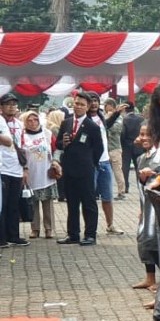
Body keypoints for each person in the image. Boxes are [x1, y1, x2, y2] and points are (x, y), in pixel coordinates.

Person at [54, 92, 104, 246]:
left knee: (88, 203)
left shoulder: (93, 127)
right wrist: (63, 143)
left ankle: (90, 235)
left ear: (88, 107)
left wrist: (91, 163)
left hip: (86, 170)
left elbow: (99, 149)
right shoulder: (66, 122)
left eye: (82, 104)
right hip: (68, 169)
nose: (78, 106)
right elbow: (57, 144)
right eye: (76, 103)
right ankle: (73, 234)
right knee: (72, 203)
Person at [86, 92, 124, 236]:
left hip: (105, 161)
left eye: (96, 101)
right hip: (91, 164)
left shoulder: (101, 116)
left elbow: (106, 127)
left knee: (107, 197)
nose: (94, 103)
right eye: (92, 101)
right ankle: (90, 228)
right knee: (89, 198)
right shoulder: (84, 119)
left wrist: (116, 114)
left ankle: (110, 225)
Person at [133, 123, 160, 292]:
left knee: (156, 240)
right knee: (143, 238)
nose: (144, 138)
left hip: (159, 206)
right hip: (146, 205)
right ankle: (149, 276)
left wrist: (153, 175)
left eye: (147, 134)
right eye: (141, 134)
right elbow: (141, 187)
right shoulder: (140, 158)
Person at [18, 110, 58, 239]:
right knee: (32, 203)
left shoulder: (47, 133)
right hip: (31, 174)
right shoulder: (22, 135)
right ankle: (35, 229)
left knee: (47, 203)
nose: (33, 123)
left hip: (46, 173)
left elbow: (56, 148)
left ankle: (49, 228)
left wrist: (56, 162)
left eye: (35, 120)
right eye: (29, 120)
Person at [0, 93, 29, 248]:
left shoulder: (19, 123)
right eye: (8, 104)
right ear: (1, 107)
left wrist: (25, 168)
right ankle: (2, 237)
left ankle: (14, 235)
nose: (11, 107)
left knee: (14, 204)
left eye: (14, 104)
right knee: (2, 204)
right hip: (2, 168)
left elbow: (23, 146)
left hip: (16, 168)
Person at [103, 98, 127, 200]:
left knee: (117, 171)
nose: (107, 110)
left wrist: (110, 118)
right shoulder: (103, 117)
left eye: (109, 107)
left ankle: (121, 192)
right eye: (105, 107)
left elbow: (115, 129)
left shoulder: (119, 118)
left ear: (113, 107)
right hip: (104, 149)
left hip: (115, 148)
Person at [46, 109, 66, 201]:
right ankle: (61, 195)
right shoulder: (55, 128)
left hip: (52, 153)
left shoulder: (49, 127)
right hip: (57, 154)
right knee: (59, 175)